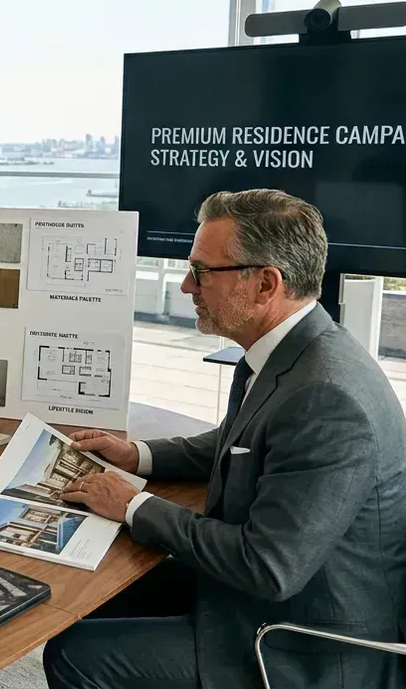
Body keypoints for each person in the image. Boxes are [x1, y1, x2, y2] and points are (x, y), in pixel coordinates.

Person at [46, 189, 406, 689]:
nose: (187, 287)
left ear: (265, 284)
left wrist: (135, 505)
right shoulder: (288, 353)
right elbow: (237, 441)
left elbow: (267, 567)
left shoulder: (328, 398)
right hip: (268, 599)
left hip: (304, 642)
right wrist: (137, 455)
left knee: (74, 655)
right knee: (90, 595)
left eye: (202, 271)